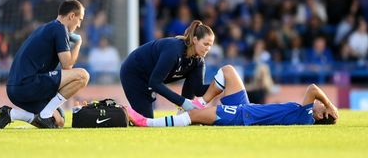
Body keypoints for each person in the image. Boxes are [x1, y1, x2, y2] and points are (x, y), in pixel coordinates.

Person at [127, 65, 338, 127]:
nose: (320, 104)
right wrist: (327, 106)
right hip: (247, 108)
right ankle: (200, 102)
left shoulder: (306, 116)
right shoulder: (306, 116)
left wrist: (330, 104)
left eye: (321, 107)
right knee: (228, 71)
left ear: (319, 116)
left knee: (193, 117)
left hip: (243, 117)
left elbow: (312, 88)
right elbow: (313, 91)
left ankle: (147, 123)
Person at [0, 0, 90, 129]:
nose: (79, 25)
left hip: (14, 88)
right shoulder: (59, 28)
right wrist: (78, 43)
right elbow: (67, 66)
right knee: (83, 76)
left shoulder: (47, 27)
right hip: (27, 84)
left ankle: (11, 114)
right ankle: (45, 114)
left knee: (58, 122)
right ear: (72, 16)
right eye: (80, 20)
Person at [120, 20, 215, 118]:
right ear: (195, 40)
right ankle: (115, 113)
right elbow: (155, 82)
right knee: (145, 123)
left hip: (150, 76)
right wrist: (183, 102)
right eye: (205, 44)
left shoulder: (199, 61)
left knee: (148, 121)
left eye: (210, 45)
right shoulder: (174, 50)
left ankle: (183, 114)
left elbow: (198, 89)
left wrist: (219, 84)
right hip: (134, 73)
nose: (208, 49)